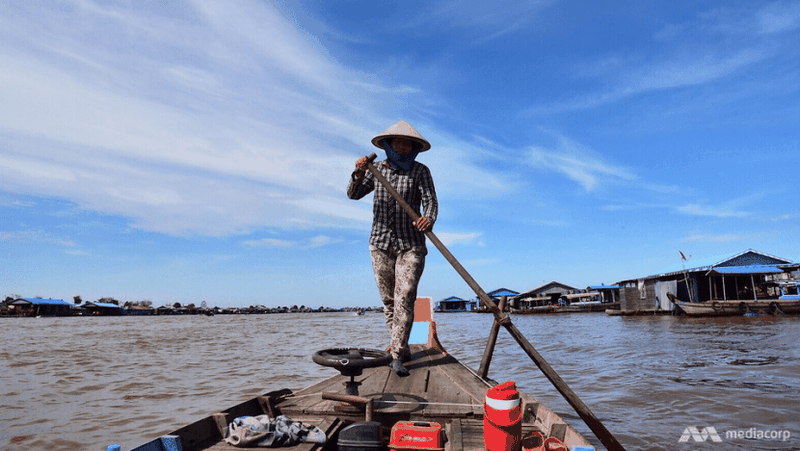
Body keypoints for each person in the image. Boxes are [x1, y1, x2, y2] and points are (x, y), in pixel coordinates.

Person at [347, 120, 438, 376]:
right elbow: (353, 194)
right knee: (389, 302)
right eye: (397, 142)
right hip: (380, 244)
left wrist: (427, 219)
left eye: (407, 143)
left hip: (411, 245)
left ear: (414, 147)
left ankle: (396, 353)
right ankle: (401, 344)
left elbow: (430, 201)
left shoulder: (421, 171)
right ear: (388, 145)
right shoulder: (376, 170)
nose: (402, 146)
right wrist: (359, 172)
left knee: (405, 298)